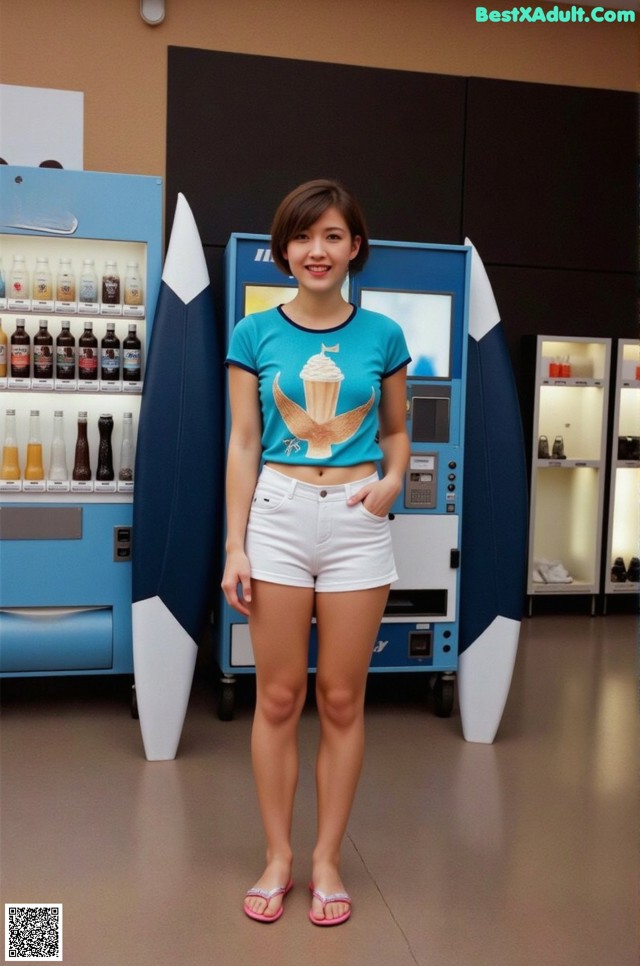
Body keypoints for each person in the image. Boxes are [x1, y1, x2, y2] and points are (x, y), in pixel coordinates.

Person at [221, 179, 410, 926]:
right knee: (276, 697)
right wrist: (234, 545)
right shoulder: (254, 335)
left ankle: (328, 858)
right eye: (303, 237)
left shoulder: (385, 336)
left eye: (332, 236)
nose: (317, 251)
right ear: (283, 251)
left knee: (339, 698)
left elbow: (395, 431)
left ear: (354, 246)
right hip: (278, 515)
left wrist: (393, 481)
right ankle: (279, 856)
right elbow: (242, 443)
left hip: (359, 518)